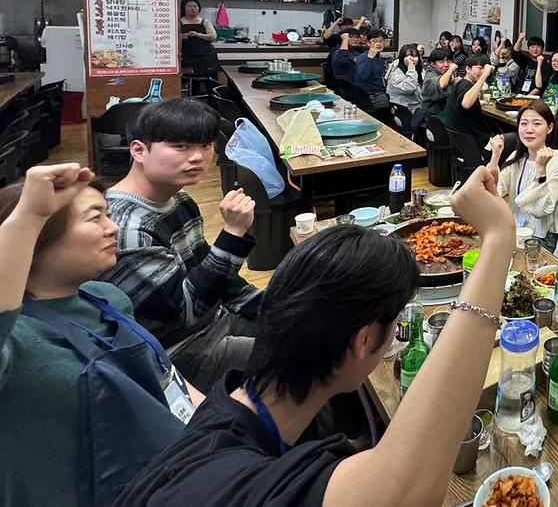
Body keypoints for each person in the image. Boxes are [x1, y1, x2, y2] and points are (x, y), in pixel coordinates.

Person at [115, 166, 518, 507]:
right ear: (364, 341)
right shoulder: (259, 485)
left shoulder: (224, 410)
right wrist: (499, 238)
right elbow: (409, 484)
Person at [0, 164, 199, 506]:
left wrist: (222, 426)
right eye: (95, 218)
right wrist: (28, 216)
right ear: (37, 239)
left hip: (162, 481)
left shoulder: (107, 298)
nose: (113, 227)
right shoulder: (13, 341)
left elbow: (166, 382)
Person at [101, 99, 262, 391]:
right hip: (180, 353)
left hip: (214, 321)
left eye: (205, 145)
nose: (198, 157)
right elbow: (185, 314)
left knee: (306, 323)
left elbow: (215, 279)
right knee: (307, 354)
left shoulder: (179, 200)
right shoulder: (126, 228)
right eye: (181, 146)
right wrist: (232, 234)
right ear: (138, 150)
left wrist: (273, 307)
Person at [486, 101, 558, 249]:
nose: (529, 130)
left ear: (549, 128)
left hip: (542, 238)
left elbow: (541, 211)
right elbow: (493, 192)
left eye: (537, 124)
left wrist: (541, 170)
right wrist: (495, 157)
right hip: (514, 229)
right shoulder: (517, 156)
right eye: (524, 124)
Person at [445, 53, 495, 146]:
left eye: (485, 69)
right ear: (468, 69)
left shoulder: (462, 83)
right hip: (474, 142)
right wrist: (484, 76)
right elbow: (466, 104)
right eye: (479, 68)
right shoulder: (465, 85)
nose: (483, 71)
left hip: (462, 140)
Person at [179, 0, 220, 79]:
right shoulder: (178, 22)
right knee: (190, 80)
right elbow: (171, 38)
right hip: (187, 56)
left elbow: (213, 36)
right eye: (189, 6)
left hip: (206, 56)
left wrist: (198, 34)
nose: (193, 9)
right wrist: (182, 36)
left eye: (195, 6)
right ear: (183, 8)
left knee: (211, 79)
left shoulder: (205, 22)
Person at [353, 27, 390, 106]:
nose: (378, 44)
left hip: (383, 92)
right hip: (372, 96)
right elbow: (362, 77)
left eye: (381, 41)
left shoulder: (379, 59)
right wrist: (370, 58)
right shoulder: (363, 58)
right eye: (374, 41)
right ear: (368, 43)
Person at [419, 47, 456, 120]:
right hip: (431, 117)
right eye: (441, 62)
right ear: (433, 64)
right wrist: (451, 69)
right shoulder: (430, 76)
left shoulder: (443, 74)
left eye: (449, 61)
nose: (446, 65)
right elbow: (441, 85)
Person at [386, 43, 423, 114]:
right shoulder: (396, 74)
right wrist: (411, 66)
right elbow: (411, 88)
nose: (412, 59)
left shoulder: (418, 70)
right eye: (408, 56)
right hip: (404, 109)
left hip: (418, 107)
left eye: (414, 56)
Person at [330, 27, 366, 97]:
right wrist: (345, 39)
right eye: (351, 37)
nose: (355, 39)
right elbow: (343, 61)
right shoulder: (339, 51)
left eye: (357, 37)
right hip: (346, 87)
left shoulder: (354, 51)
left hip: (358, 85)